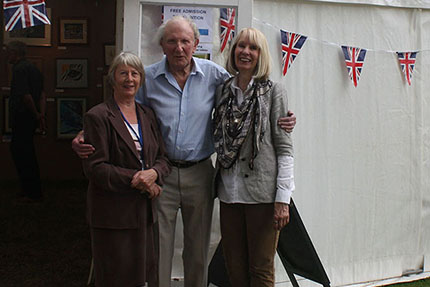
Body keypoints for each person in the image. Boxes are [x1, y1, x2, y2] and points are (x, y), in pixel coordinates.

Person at [73, 16, 297, 287]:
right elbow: (121, 110)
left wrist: (284, 119)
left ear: (195, 44)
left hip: (201, 173)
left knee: (198, 251)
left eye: (184, 41)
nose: (179, 47)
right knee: (159, 249)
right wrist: (87, 133)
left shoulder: (216, 76)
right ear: (163, 46)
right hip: (161, 174)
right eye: (172, 41)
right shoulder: (148, 79)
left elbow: (249, 95)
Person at [213, 27, 295, 287]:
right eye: (241, 46)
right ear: (233, 50)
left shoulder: (273, 91)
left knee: (260, 270)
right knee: (234, 269)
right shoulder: (223, 90)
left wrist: (283, 199)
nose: (246, 52)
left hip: (262, 196)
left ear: (261, 55)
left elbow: (284, 147)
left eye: (253, 47)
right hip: (229, 193)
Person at [82, 52, 171, 287]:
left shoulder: (147, 114)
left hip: (144, 213)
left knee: (143, 277)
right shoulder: (98, 116)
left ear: (141, 79)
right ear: (113, 79)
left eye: (134, 73)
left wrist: (154, 174)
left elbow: (162, 157)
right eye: (123, 73)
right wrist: (138, 178)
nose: (129, 79)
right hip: (113, 214)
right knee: (115, 277)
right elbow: (95, 168)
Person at [6, 41, 47, 202]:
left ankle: (31, 192)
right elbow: (42, 94)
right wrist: (41, 116)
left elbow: (26, 96)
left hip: (23, 117)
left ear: (16, 53)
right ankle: (30, 190)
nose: (7, 55)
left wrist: (36, 114)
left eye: (9, 52)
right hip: (30, 118)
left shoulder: (19, 69)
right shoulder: (35, 69)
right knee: (27, 153)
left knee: (22, 154)